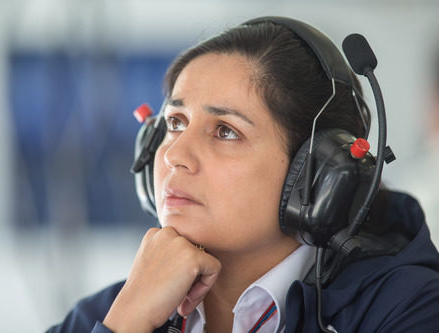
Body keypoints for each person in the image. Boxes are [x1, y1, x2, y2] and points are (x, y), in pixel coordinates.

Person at [47, 17, 439, 333]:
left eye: (225, 131)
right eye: (176, 122)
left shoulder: (409, 310)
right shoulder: (111, 313)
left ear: (317, 174)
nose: (176, 156)